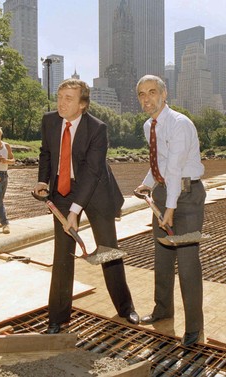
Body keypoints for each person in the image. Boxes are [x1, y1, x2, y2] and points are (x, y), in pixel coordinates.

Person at [33, 78, 139, 333]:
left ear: (82, 104)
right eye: (59, 97)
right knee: (62, 256)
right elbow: (46, 153)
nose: (61, 103)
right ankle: (58, 318)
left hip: (96, 192)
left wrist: (74, 212)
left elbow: (91, 172)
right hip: (62, 190)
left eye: (68, 98)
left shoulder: (97, 129)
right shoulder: (49, 121)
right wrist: (41, 180)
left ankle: (125, 308)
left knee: (107, 251)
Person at [135, 75, 206, 347]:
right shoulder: (148, 126)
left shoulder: (179, 124)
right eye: (142, 94)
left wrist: (171, 208)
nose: (147, 98)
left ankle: (194, 328)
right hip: (165, 192)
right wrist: (147, 183)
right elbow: (161, 164)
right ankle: (163, 309)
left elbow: (176, 168)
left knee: (188, 264)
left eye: (152, 92)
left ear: (165, 94)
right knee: (162, 258)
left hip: (186, 198)